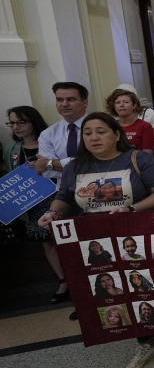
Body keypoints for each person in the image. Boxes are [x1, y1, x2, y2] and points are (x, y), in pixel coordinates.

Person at [36, 112, 154, 368]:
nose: (93, 137)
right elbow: (64, 197)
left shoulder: (137, 159)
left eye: (101, 131)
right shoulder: (76, 166)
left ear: (116, 135)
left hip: (141, 238)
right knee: (121, 293)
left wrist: (131, 208)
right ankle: (145, 342)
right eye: (88, 133)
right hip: (98, 244)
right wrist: (53, 212)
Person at [36, 82, 89, 303]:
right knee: (72, 252)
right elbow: (43, 171)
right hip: (65, 199)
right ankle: (83, 302)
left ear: (84, 102)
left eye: (70, 99)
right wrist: (54, 164)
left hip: (98, 196)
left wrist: (54, 163)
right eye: (60, 99)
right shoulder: (49, 133)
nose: (64, 104)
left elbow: (93, 161)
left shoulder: (98, 126)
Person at [5, 107, 63, 293]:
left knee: (63, 239)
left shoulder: (49, 141)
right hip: (32, 202)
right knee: (46, 242)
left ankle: (76, 279)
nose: (16, 127)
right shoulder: (11, 148)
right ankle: (63, 280)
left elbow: (65, 167)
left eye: (20, 122)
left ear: (33, 122)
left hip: (57, 197)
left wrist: (43, 166)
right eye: (12, 123)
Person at [106, 88, 154, 153]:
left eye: (126, 102)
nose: (122, 105)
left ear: (134, 105)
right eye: (118, 102)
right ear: (113, 107)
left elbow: (148, 155)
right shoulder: (111, 127)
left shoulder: (145, 126)